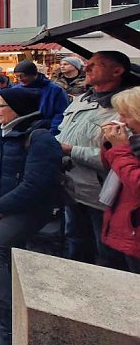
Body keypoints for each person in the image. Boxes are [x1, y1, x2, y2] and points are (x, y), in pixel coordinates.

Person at [0, 89, 63, 345]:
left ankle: (7, 328)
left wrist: (0, 206)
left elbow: (36, 184)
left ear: (17, 109)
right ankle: (13, 319)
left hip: (25, 211)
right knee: (10, 257)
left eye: (1, 106)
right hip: (0, 206)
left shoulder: (40, 138)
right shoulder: (3, 133)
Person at [58, 51, 134, 269]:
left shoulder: (125, 108)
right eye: (86, 64)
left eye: (94, 65)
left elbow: (120, 156)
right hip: (73, 186)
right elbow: (63, 131)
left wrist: (70, 149)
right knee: (76, 242)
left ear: (117, 71)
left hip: (103, 196)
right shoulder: (83, 99)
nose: (86, 69)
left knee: (109, 254)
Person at [100, 87, 140, 273]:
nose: (122, 121)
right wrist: (109, 144)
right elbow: (112, 167)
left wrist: (120, 149)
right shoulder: (134, 141)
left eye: (126, 115)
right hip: (125, 223)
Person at [11, 60, 69, 135]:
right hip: (20, 132)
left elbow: (61, 113)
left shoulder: (55, 90)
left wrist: (52, 132)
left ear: (34, 74)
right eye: (17, 76)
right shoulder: (15, 90)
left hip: (47, 131)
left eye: (22, 76)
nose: (19, 79)